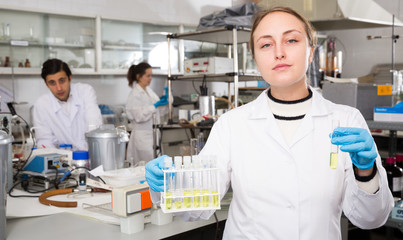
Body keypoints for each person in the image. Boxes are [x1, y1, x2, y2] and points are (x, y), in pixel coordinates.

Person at [145, 7, 394, 239]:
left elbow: (370, 219)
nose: (279, 52)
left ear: (310, 51)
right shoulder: (232, 124)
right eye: (266, 44)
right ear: (255, 58)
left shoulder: (345, 120)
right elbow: (197, 208)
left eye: (291, 40)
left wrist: (366, 171)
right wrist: (168, 183)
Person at [33, 58, 102, 150]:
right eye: (52, 83)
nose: (59, 88)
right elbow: (44, 141)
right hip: (61, 160)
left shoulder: (85, 91)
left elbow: (94, 124)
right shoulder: (41, 104)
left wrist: (88, 151)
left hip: (91, 155)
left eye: (62, 80)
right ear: (46, 84)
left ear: (70, 78)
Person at [125, 62, 168, 166]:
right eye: (148, 76)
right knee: (145, 168)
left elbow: (160, 112)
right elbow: (139, 116)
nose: (151, 78)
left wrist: (167, 99)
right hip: (142, 137)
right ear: (138, 76)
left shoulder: (149, 91)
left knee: (156, 166)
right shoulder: (135, 94)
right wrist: (154, 106)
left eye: (151, 75)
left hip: (154, 135)